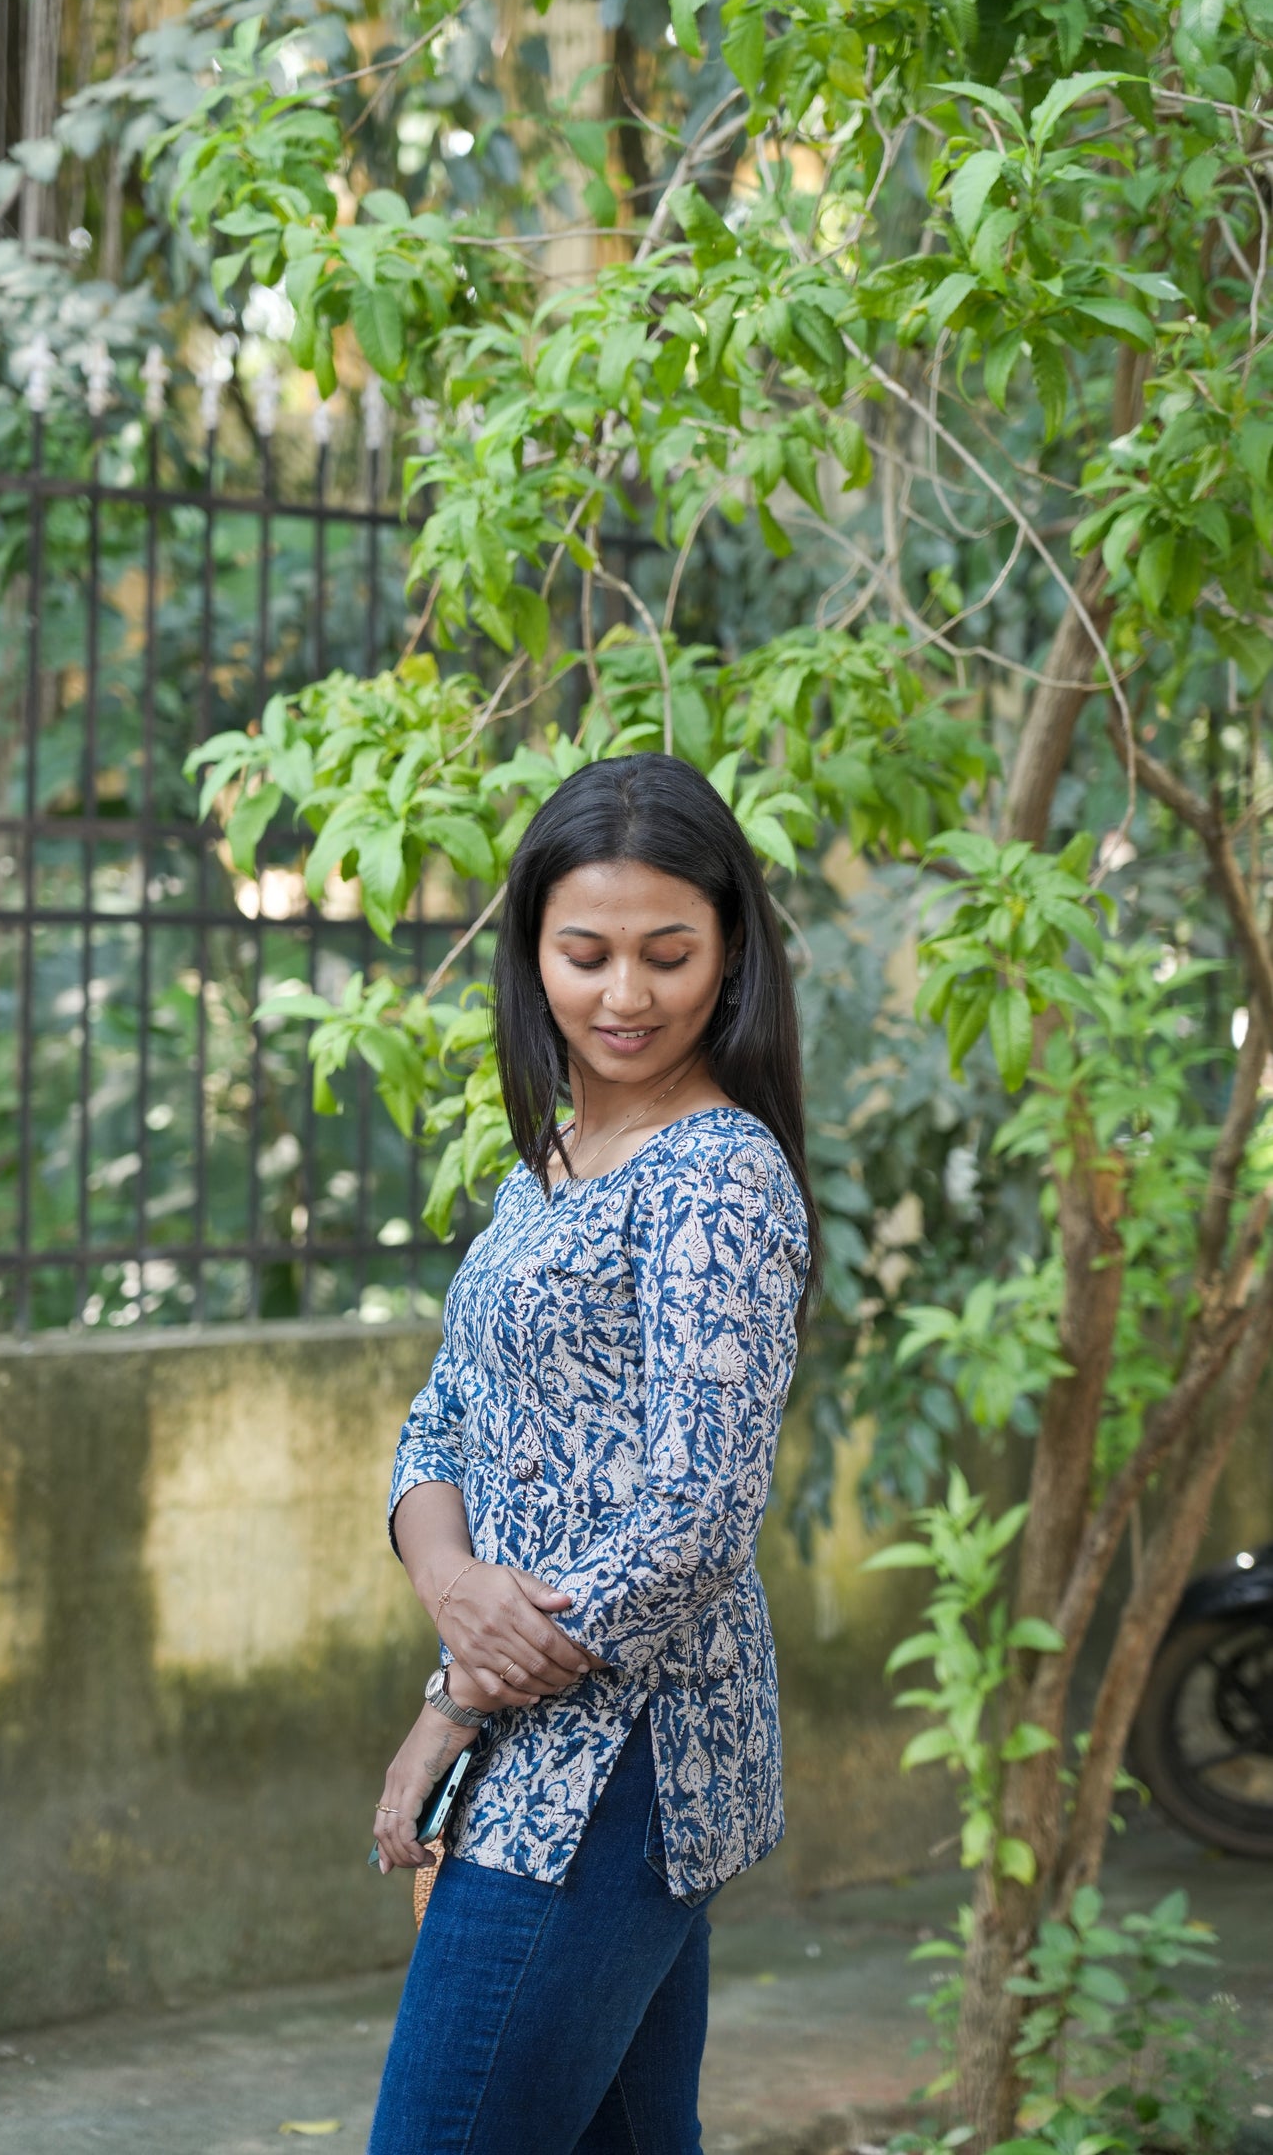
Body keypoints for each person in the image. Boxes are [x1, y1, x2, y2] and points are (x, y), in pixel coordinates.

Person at [367, 752, 821, 2154]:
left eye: (665, 954)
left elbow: (692, 1516)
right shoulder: (548, 1159)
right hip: (529, 1730)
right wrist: (446, 1577)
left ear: (728, 952)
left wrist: (452, 1706)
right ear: (532, 957)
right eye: (586, 953)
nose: (625, 996)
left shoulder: (720, 1178)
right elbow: (443, 1413)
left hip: (619, 1760)